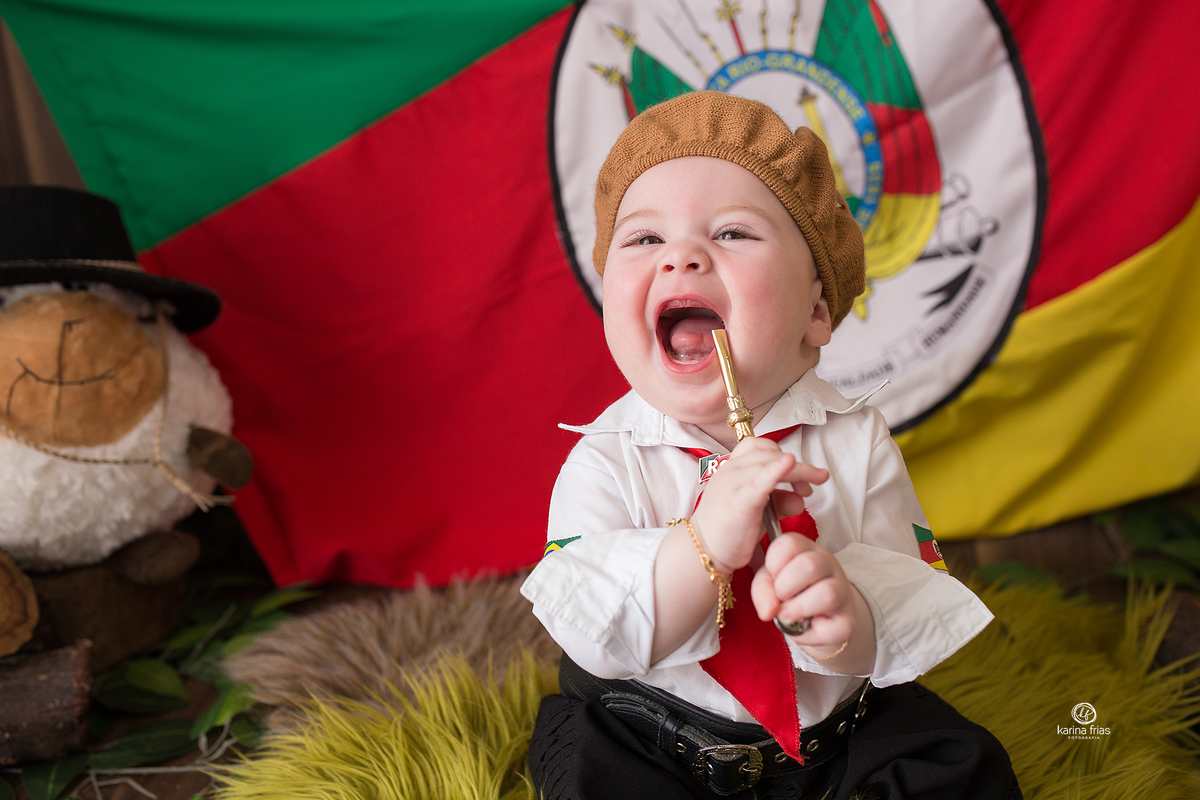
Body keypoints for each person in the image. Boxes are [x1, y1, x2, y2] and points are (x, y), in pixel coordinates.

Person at [521, 91, 1020, 800]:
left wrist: (843, 618)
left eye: (731, 234)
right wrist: (703, 543)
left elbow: (903, 603)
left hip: (834, 739)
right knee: (590, 779)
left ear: (817, 311)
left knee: (958, 767)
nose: (681, 258)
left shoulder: (856, 441)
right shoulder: (605, 458)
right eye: (643, 239)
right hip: (646, 732)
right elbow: (596, 635)